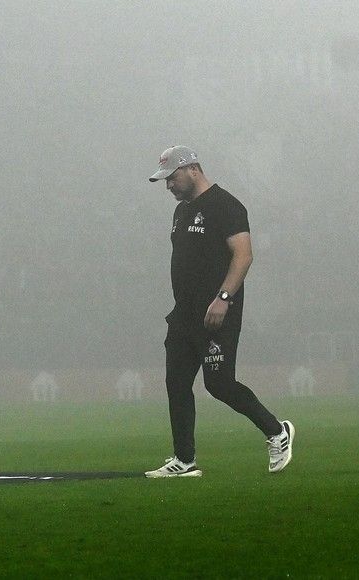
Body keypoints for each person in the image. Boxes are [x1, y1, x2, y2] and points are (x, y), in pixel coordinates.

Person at [144, 145, 294, 477]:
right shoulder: (181, 211)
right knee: (177, 383)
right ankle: (184, 461)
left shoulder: (227, 206)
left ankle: (277, 432)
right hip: (183, 315)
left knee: (219, 385)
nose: (168, 186)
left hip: (217, 314)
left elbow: (244, 256)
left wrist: (223, 297)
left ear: (191, 169)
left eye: (171, 179)